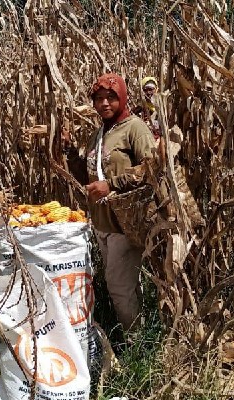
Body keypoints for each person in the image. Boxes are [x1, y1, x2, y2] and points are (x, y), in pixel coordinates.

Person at [64, 73, 156, 332]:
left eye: (111, 98)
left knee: (117, 286)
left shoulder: (134, 128)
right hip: (102, 223)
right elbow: (89, 176)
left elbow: (152, 169)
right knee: (125, 284)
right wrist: (70, 152)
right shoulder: (99, 134)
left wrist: (112, 185)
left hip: (124, 224)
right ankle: (139, 332)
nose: (104, 104)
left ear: (123, 97)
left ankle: (135, 344)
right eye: (99, 99)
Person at [133, 76, 161, 141]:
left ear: (156, 90)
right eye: (145, 90)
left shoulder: (163, 110)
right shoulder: (137, 111)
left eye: (151, 89)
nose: (148, 93)